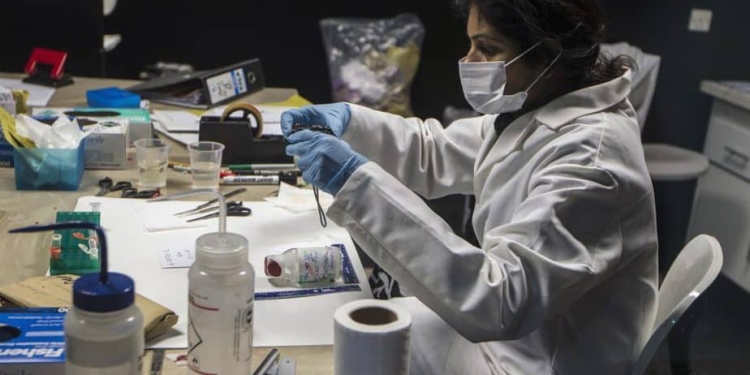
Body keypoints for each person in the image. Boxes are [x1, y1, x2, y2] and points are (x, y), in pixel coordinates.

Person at [281, 0, 658, 374]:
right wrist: (351, 123)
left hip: (539, 362)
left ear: (549, 53)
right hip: (512, 341)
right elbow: (436, 152)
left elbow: (498, 300)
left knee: (358, 350)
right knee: (361, 334)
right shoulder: (541, 107)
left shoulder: (592, 162)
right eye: (472, 44)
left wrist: (355, 184)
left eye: (489, 48)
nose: (469, 60)